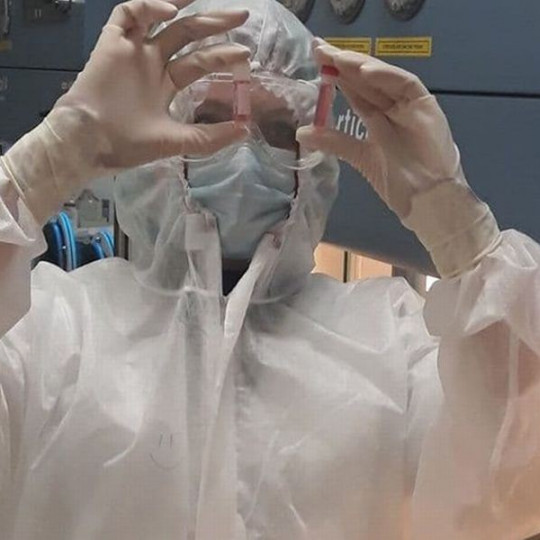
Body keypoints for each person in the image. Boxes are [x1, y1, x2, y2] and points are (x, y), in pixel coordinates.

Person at [1, 0, 540, 538]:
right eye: (209, 122)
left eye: (281, 130)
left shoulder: (392, 344)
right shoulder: (49, 334)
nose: (244, 152)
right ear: (149, 139)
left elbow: (515, 480)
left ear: (318, 151)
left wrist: (462, 232)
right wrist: (39, 168)